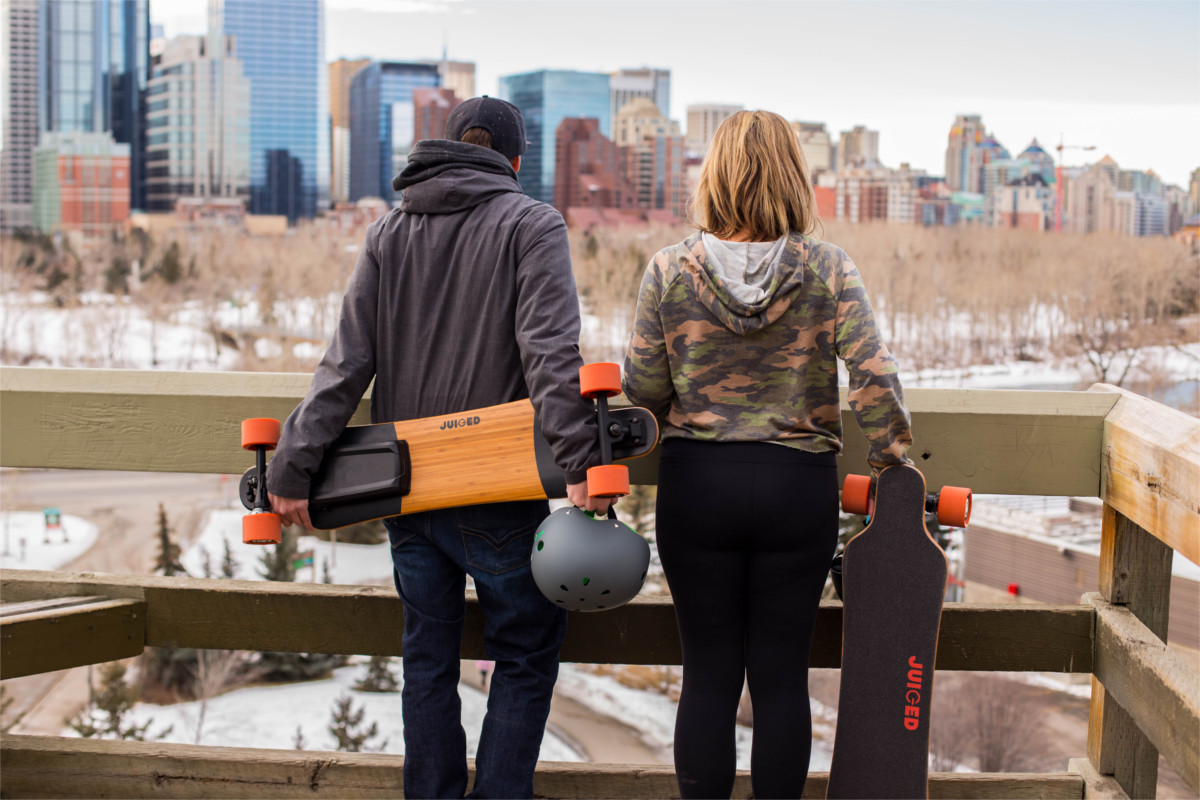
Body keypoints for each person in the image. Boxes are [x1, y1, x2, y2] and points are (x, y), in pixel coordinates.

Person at [266, 96, 611, 799]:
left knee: (426, 657)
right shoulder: (531, 222)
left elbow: (345, 364)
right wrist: (582, 464)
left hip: (405, 490)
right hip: (497, 490)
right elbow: (550, 356)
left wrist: (293, 465)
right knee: (526, 650)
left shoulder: (389, 232)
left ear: (450, 149)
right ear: (514, 162)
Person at [622, 109, 913, 799]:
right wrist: (894, 469)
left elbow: (640, 395)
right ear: (794, 177)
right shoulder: (830, 268)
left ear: (713, 178)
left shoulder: (668, 270)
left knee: (709, 674)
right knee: (782, 677)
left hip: (698, 487)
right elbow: (873, 377)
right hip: (797, 488)